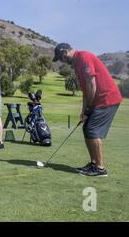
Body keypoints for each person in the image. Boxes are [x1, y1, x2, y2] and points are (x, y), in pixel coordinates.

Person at [52, 43, 122, 177]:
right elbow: (86, 90)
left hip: (107, 98)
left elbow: (92, 84)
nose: (62, 61)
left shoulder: (83, 57)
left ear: (65, 52)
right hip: (98, 100)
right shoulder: (77, 64)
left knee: (92, 130)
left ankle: (100, 168)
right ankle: (94, 163)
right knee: (86, 128)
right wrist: (84, 111)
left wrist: (89, 107)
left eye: (61, 58)